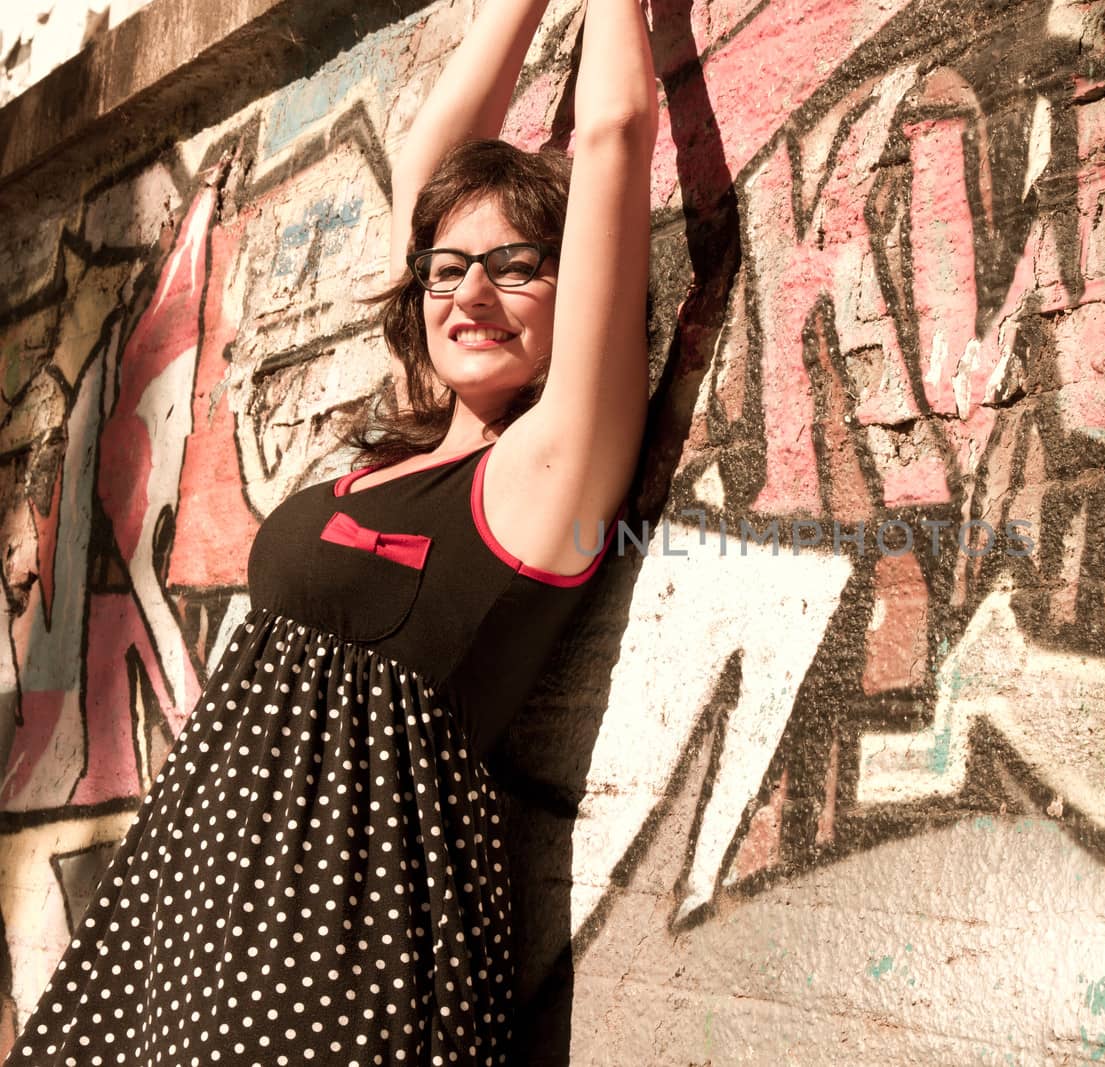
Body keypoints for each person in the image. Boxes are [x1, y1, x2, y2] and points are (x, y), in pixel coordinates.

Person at [5, 0, 656, 1061]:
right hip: (192, 927)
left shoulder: (543, 476)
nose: (473, 292)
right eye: (450, 268)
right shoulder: (395, 453)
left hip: (342, 963)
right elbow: (433, 159)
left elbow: (617, 135)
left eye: (519, 267)